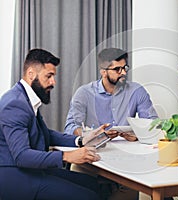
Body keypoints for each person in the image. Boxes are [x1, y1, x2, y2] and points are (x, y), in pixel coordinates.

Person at [0, 49, 110, 199]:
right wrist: (66, 156)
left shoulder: (26, 98)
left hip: (29, 170)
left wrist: (81, 140)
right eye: (49, 76)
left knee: (93, 184)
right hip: (15, 176)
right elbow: (22, 156)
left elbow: (45, 134)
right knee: (89, 196)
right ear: (31, 74)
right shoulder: (15, 104)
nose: (53, 82)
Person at [64, 47, 158, 141]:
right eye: (117, 69)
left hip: (128, 148)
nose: (124, 73)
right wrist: (94, 134)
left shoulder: (137, 90)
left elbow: (152, 123)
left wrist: (138, 135)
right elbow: (70, 128)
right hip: (96, 148)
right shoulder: (84, 93)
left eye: (125, 68)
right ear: (104, 72)